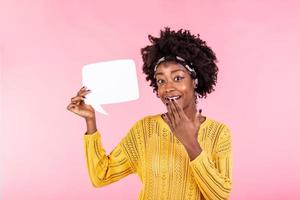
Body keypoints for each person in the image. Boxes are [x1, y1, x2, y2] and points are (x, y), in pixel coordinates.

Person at [67, 27, 232, 200]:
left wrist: (191, 143)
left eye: (178, 78)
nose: (168, 88)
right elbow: (101, 175)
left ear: (195, 81)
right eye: (161, 80)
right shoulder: (145, 130)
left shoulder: (219, 133)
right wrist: (90, 121)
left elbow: (220, 196)